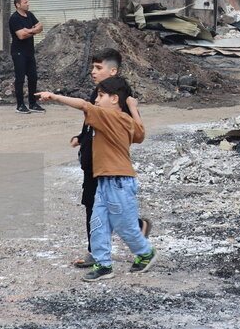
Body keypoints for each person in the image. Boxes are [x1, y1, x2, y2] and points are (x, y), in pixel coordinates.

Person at [37, 76, 157, 281]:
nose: (96, 100)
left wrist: (55, 97)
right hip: (105, 181)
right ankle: (103, 264)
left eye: (101, 96)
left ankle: (146, 253)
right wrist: (133, 107)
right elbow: (140, 134)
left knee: (125, 227)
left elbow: (83, 105)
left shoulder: (109, 116)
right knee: (98, 223)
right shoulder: (126, 119)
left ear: (114, 99)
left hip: (118, 182)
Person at [70, 48, 151, 269]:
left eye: (99, 68)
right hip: (92, 161)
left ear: (113, 71)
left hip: (107, 166)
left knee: (103, 209)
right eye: (93, 68)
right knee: (96, 206)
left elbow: (136, 131)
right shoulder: (98, 94)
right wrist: (81, 137)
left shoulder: (120, 99)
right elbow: (91, 122)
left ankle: (99, 253)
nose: (93, 72)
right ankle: (100, 252)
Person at [9, 0, 44, 113]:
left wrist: (29, 30)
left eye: (27, 1)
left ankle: (33, 103)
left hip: (29, 52)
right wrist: (34, 31)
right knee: (20, 79)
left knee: (33, 77)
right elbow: (21, 36)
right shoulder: (14, 18)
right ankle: (20, 105)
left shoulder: (29, 15)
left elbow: (40, 26)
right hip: (18, 53)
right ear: (18, 5)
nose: (28, 4)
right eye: (25, 2)